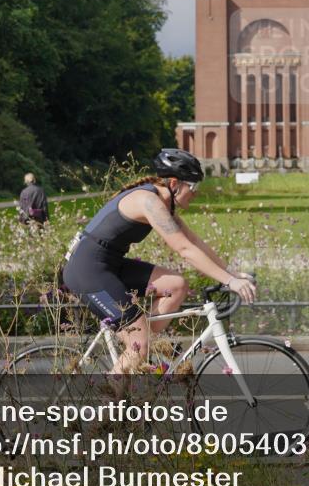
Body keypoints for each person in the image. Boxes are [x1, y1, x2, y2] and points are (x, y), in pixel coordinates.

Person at [62, 149, 256, 374]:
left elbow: (194, 242)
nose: (196, 194)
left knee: (176, 285)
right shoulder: (149, 201)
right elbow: (184, 249)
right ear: (174, 183)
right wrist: (230, 282)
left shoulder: (163, 204)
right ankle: (110, 406)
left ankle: (139, 351)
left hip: (109, 264)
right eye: (193, 188)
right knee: (139, 345)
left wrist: (231, 274)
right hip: (87, 270)